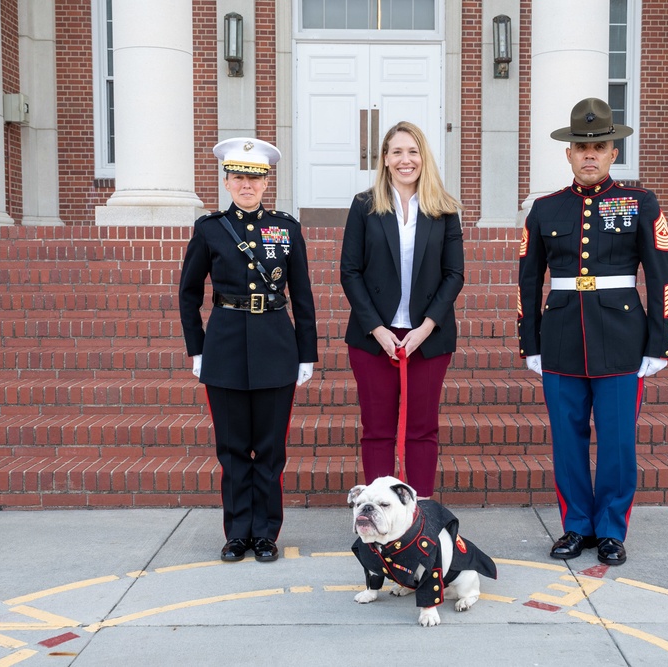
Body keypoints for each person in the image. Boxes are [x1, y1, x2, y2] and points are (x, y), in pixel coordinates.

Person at [517, 98, 668, 566]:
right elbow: (529, 279)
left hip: (622, 338)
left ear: (613, 153)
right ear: (568, 154)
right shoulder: (545, 210)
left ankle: (610, 529)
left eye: (600, 146)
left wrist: (659, 340)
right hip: (562, 336)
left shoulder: (640, 203)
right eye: (581, 146)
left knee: (618, 441)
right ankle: (576, 527)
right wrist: (531, 339)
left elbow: (661, 274)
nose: (590, 154)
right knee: (566, 439)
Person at [179, 137, 318, 563]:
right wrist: (197, 349)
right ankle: (237, 532)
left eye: (254, 178)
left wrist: (306, 352)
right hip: (223, 348)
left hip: (276, 346)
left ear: (265, 182)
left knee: (270, 451)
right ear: (226, 181)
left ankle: (266, 534)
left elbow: (303, 294)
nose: (247, 185)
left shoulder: (287, 228)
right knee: (234, 449)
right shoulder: (209, 229)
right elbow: (188, 293)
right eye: (238, 177)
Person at [340, 121, 464, 499]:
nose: (405, 159)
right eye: (397, 151)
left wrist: (424, 329)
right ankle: (379, 513)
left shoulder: (443, 208)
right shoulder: (364, 206)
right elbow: (350, 271)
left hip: (427, 338)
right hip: (373, 336)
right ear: (385, 159)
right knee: (377, 428)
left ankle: (420, 510)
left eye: (412, 151)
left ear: (423, 157)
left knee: (421, 429)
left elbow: (454, 274)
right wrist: (378, 330)